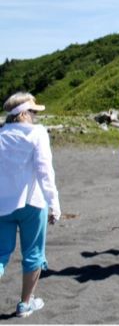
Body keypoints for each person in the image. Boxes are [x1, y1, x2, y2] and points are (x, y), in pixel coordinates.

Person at [0, 92, 61, 318]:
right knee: (33, 253)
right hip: (32, 203)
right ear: (24, 113)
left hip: (2, 204)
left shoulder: (1, 135)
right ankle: (25, 304)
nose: (35, 116)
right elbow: (45, 171)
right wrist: (54, 203)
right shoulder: (37, 133)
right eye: (33, 112)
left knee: (0, 254)